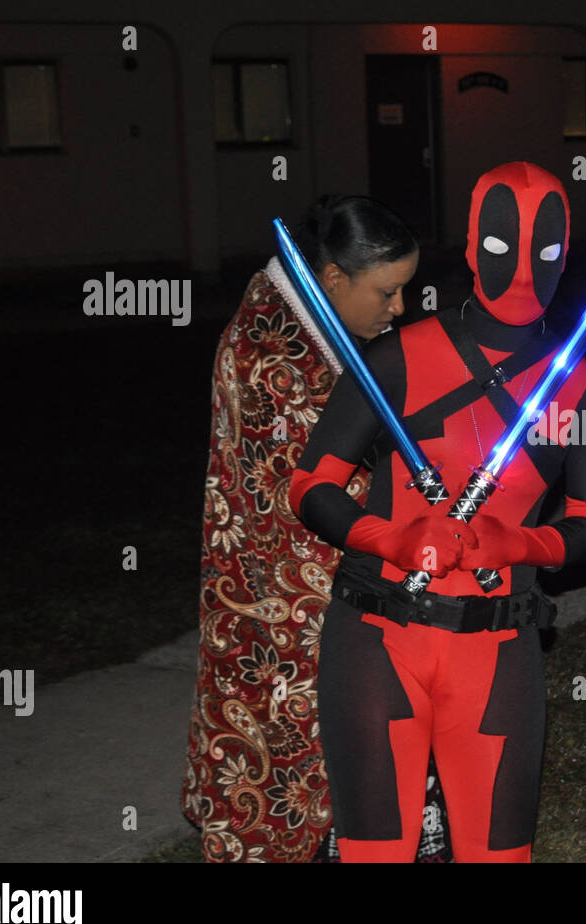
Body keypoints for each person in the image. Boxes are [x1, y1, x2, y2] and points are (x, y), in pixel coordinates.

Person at [290, 162, 586, 863]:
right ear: (473, 247)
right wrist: (394, 537)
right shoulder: (395, 356)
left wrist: (518, 543)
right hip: (376, 640)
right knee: (374, 853)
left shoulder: (584, 386)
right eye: (504, 248)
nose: (526, 272)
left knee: (496, 855)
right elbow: (310, 484)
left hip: (496, 650)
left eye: (546, 251)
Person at [183, 194, 453, 862]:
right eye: (388, 293)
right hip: (282, 610)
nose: (399, 310)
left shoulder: (308, 330)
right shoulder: (275, 357)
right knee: (292, 766)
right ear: (332, 280)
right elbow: (326, 487)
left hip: (304, 597)